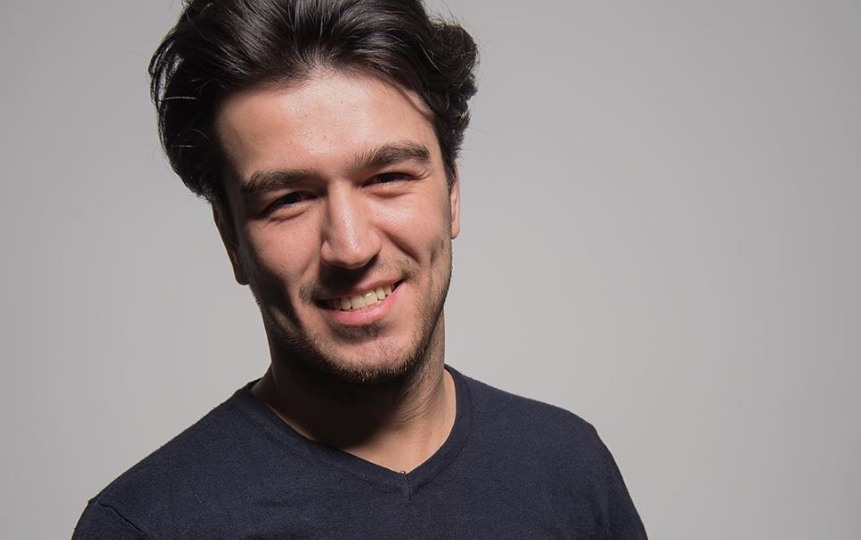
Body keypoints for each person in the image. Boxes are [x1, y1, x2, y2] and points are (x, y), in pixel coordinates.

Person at [73, 0, 648, 537]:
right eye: (289, 199)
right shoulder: (146, 526)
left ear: (452, 193)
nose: (350, 248)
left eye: (387, 178)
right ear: (232, 240)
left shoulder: (570, 468)